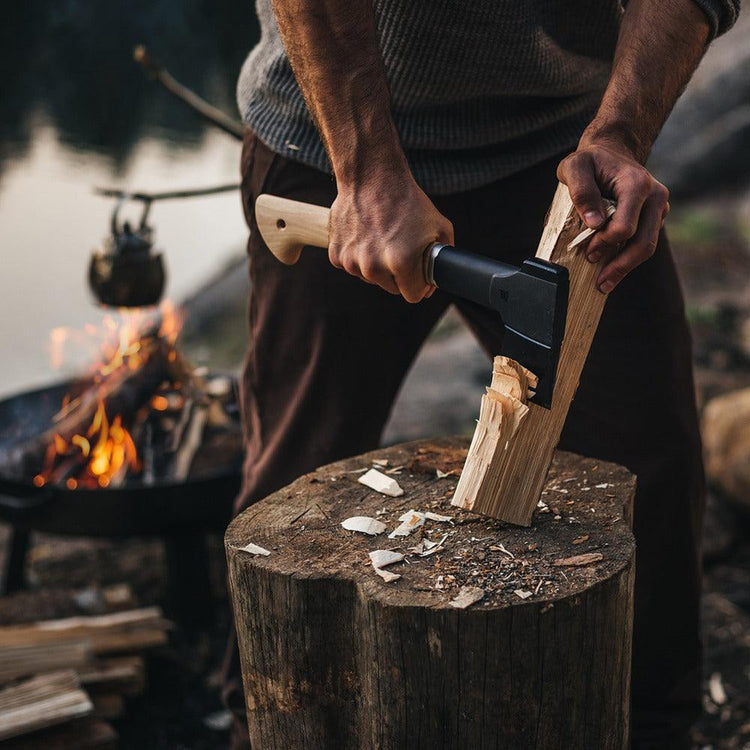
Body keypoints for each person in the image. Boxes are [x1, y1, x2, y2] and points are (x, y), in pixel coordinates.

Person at [223, 1, 740, 747]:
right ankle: (262, 727)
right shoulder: (348, 156)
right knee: (292, 482)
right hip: (337, 139)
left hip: (565, 158)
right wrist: (365, 168)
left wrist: (622, 133)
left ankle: (655, 728)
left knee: (650, 469)